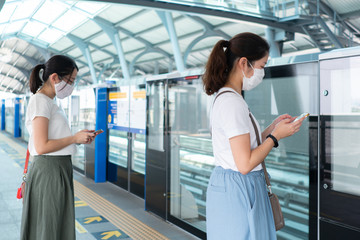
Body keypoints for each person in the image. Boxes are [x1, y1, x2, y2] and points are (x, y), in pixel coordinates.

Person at [203, 32, 306, 239]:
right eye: (261, 66)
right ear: (244, 63)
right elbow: (245, 163)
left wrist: (271, 129)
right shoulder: (232, 103)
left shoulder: (226, 97)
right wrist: (276, 137)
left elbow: (242, 145)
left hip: (232, 185)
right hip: (241, 187)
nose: (263, 72)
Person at [20, 55, 96, 240]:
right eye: (69, 80)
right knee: (49, 225)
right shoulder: (41, 101)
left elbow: (51, 139)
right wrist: (73, 138)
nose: (71, 85)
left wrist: (78, 138)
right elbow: (41, 145)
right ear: (54, 77)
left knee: (56, 224)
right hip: (49, 171)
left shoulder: (49, 102)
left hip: (57, 169)